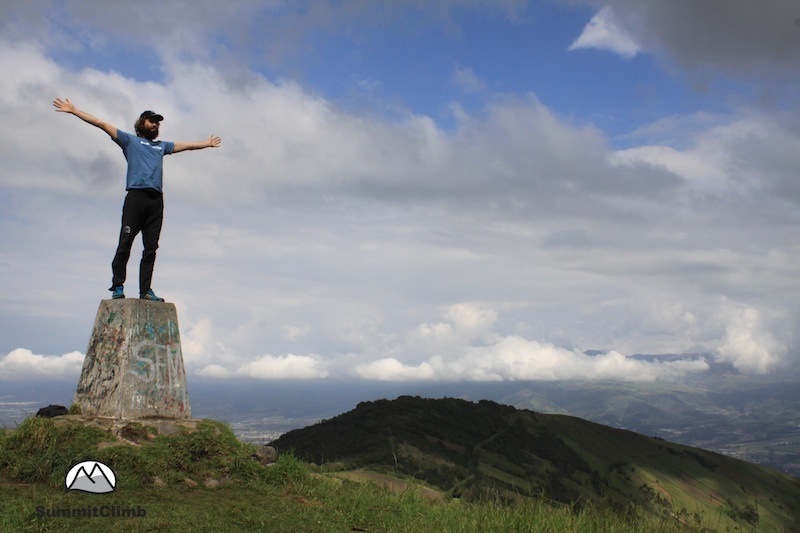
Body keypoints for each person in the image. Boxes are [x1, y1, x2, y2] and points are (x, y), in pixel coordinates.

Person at [53, 98, 221, 302]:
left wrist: (206, 144)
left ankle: (145, 291)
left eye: (158, 122)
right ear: (142, 123)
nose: (155, 124)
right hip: (136, 198)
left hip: (156, 201)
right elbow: (101, 123)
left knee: (151, 248)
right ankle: (117, 285)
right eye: (152, 121)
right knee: (125, 243)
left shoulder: (161, 146)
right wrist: (73, 110)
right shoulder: (129, 141)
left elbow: (186, 146)